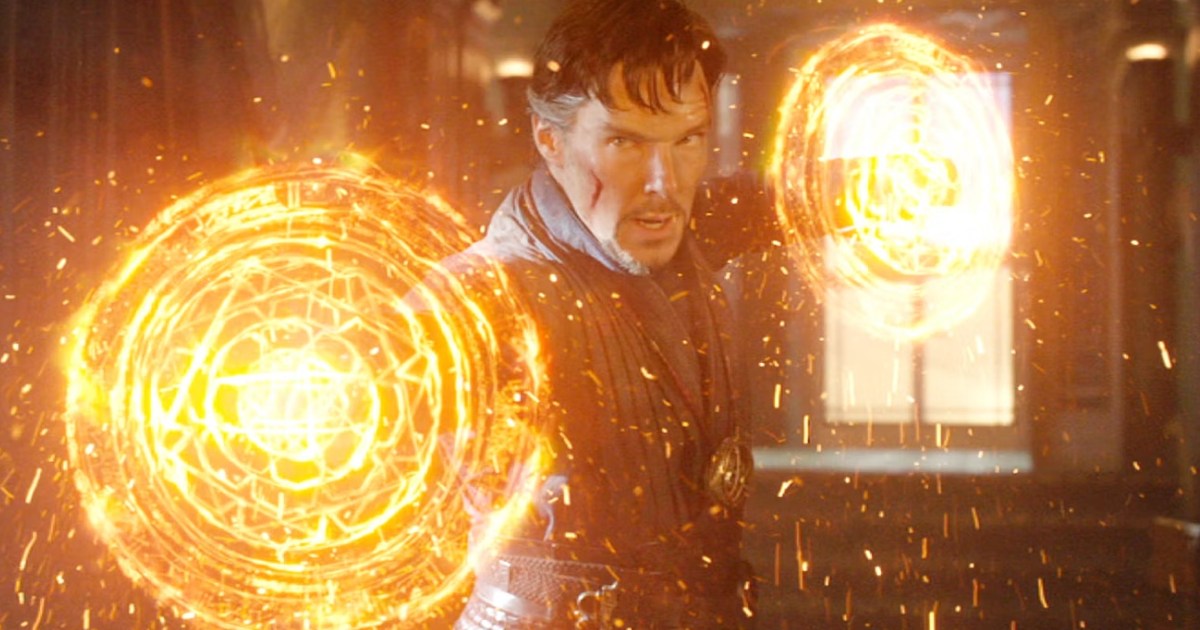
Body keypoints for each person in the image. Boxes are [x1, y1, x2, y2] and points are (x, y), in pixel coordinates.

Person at [443, 1, 754, 627]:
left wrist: (904, 179)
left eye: (688, 139)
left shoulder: (681, 233)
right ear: (550, 140)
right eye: (623, 143)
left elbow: (778, 200)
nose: (663, 183)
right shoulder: (478, 303)